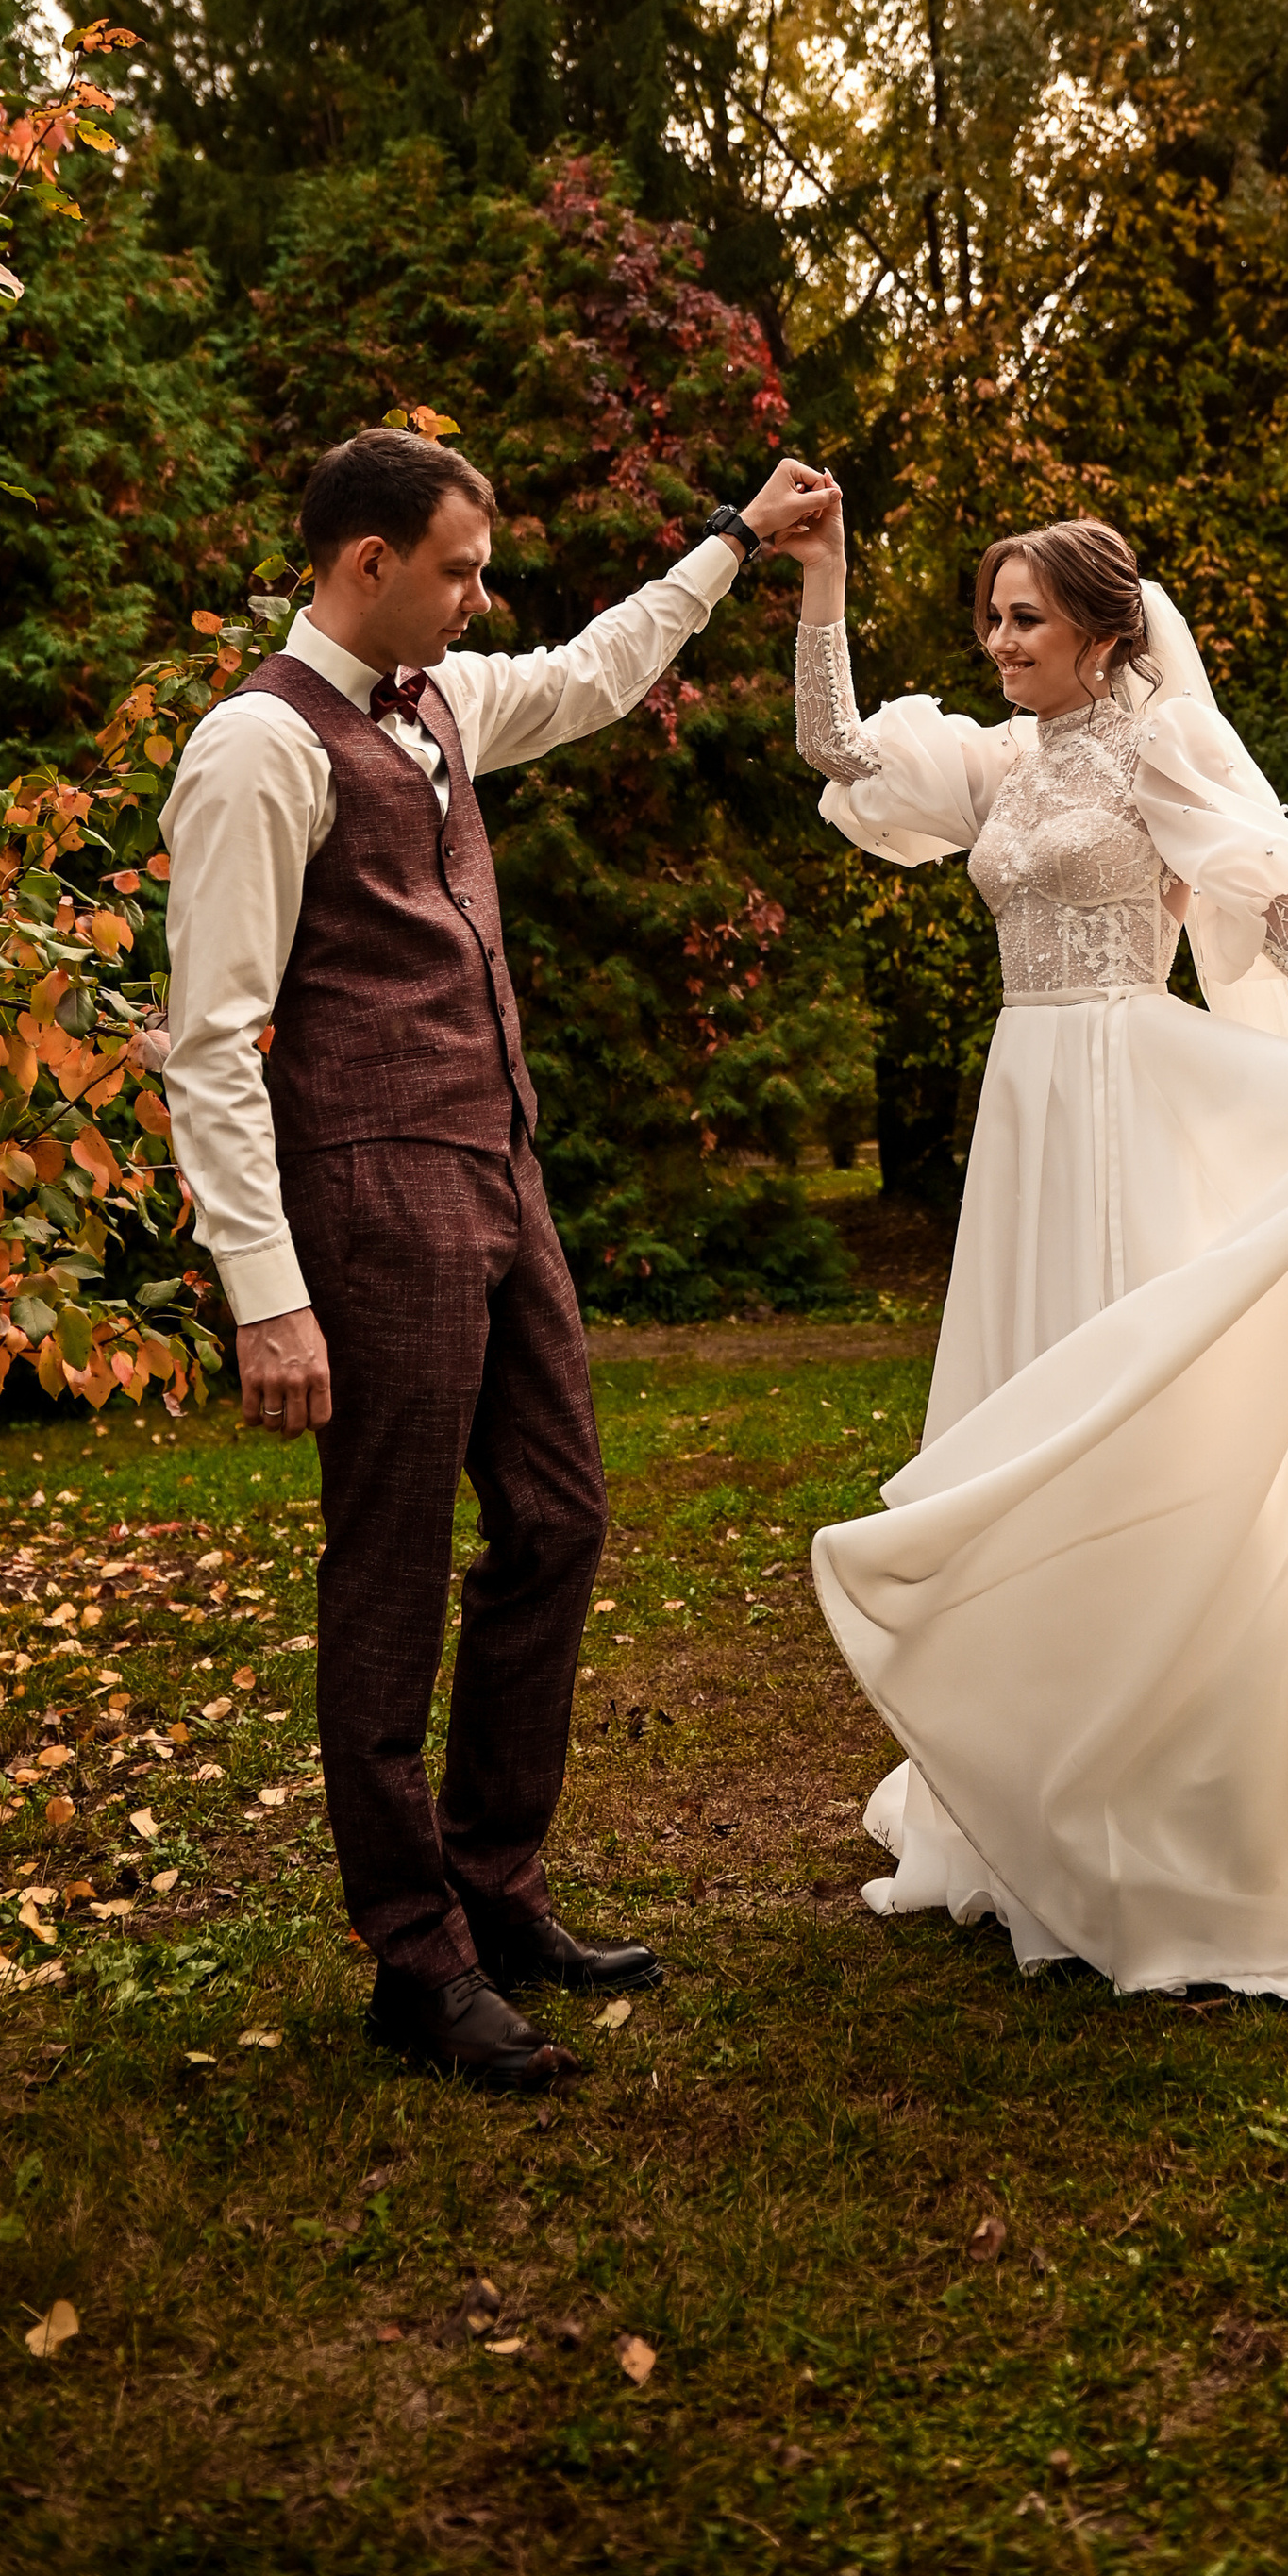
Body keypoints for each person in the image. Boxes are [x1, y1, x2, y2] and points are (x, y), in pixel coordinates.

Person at [791, 502, 1288, 2000]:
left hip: (1127, 1093)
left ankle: (1179, 1788)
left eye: (1026, 619)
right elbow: (835, 746)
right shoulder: (999, 764)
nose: (1001, 644)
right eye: (990, 619)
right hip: (1026, 1107)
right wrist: (823, 577)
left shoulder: (1161, 751)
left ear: (1104, 630)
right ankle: (1034, 1772)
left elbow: (1276, 908)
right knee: (1034, 1407)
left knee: (1143, 1413)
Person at [161, 426, 834, 2088]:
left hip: (498, 1167)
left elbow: (602, 668)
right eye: (457, 569)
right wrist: (268, 1293)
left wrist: (738, 539)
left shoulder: (446, 704)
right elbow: (208, 1042)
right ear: (364, 562)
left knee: (557, 1514)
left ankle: (491, 1876)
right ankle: (412, 1957)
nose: (482, 596)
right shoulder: (258, 745)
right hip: (368, 1194)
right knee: (387, 1570)